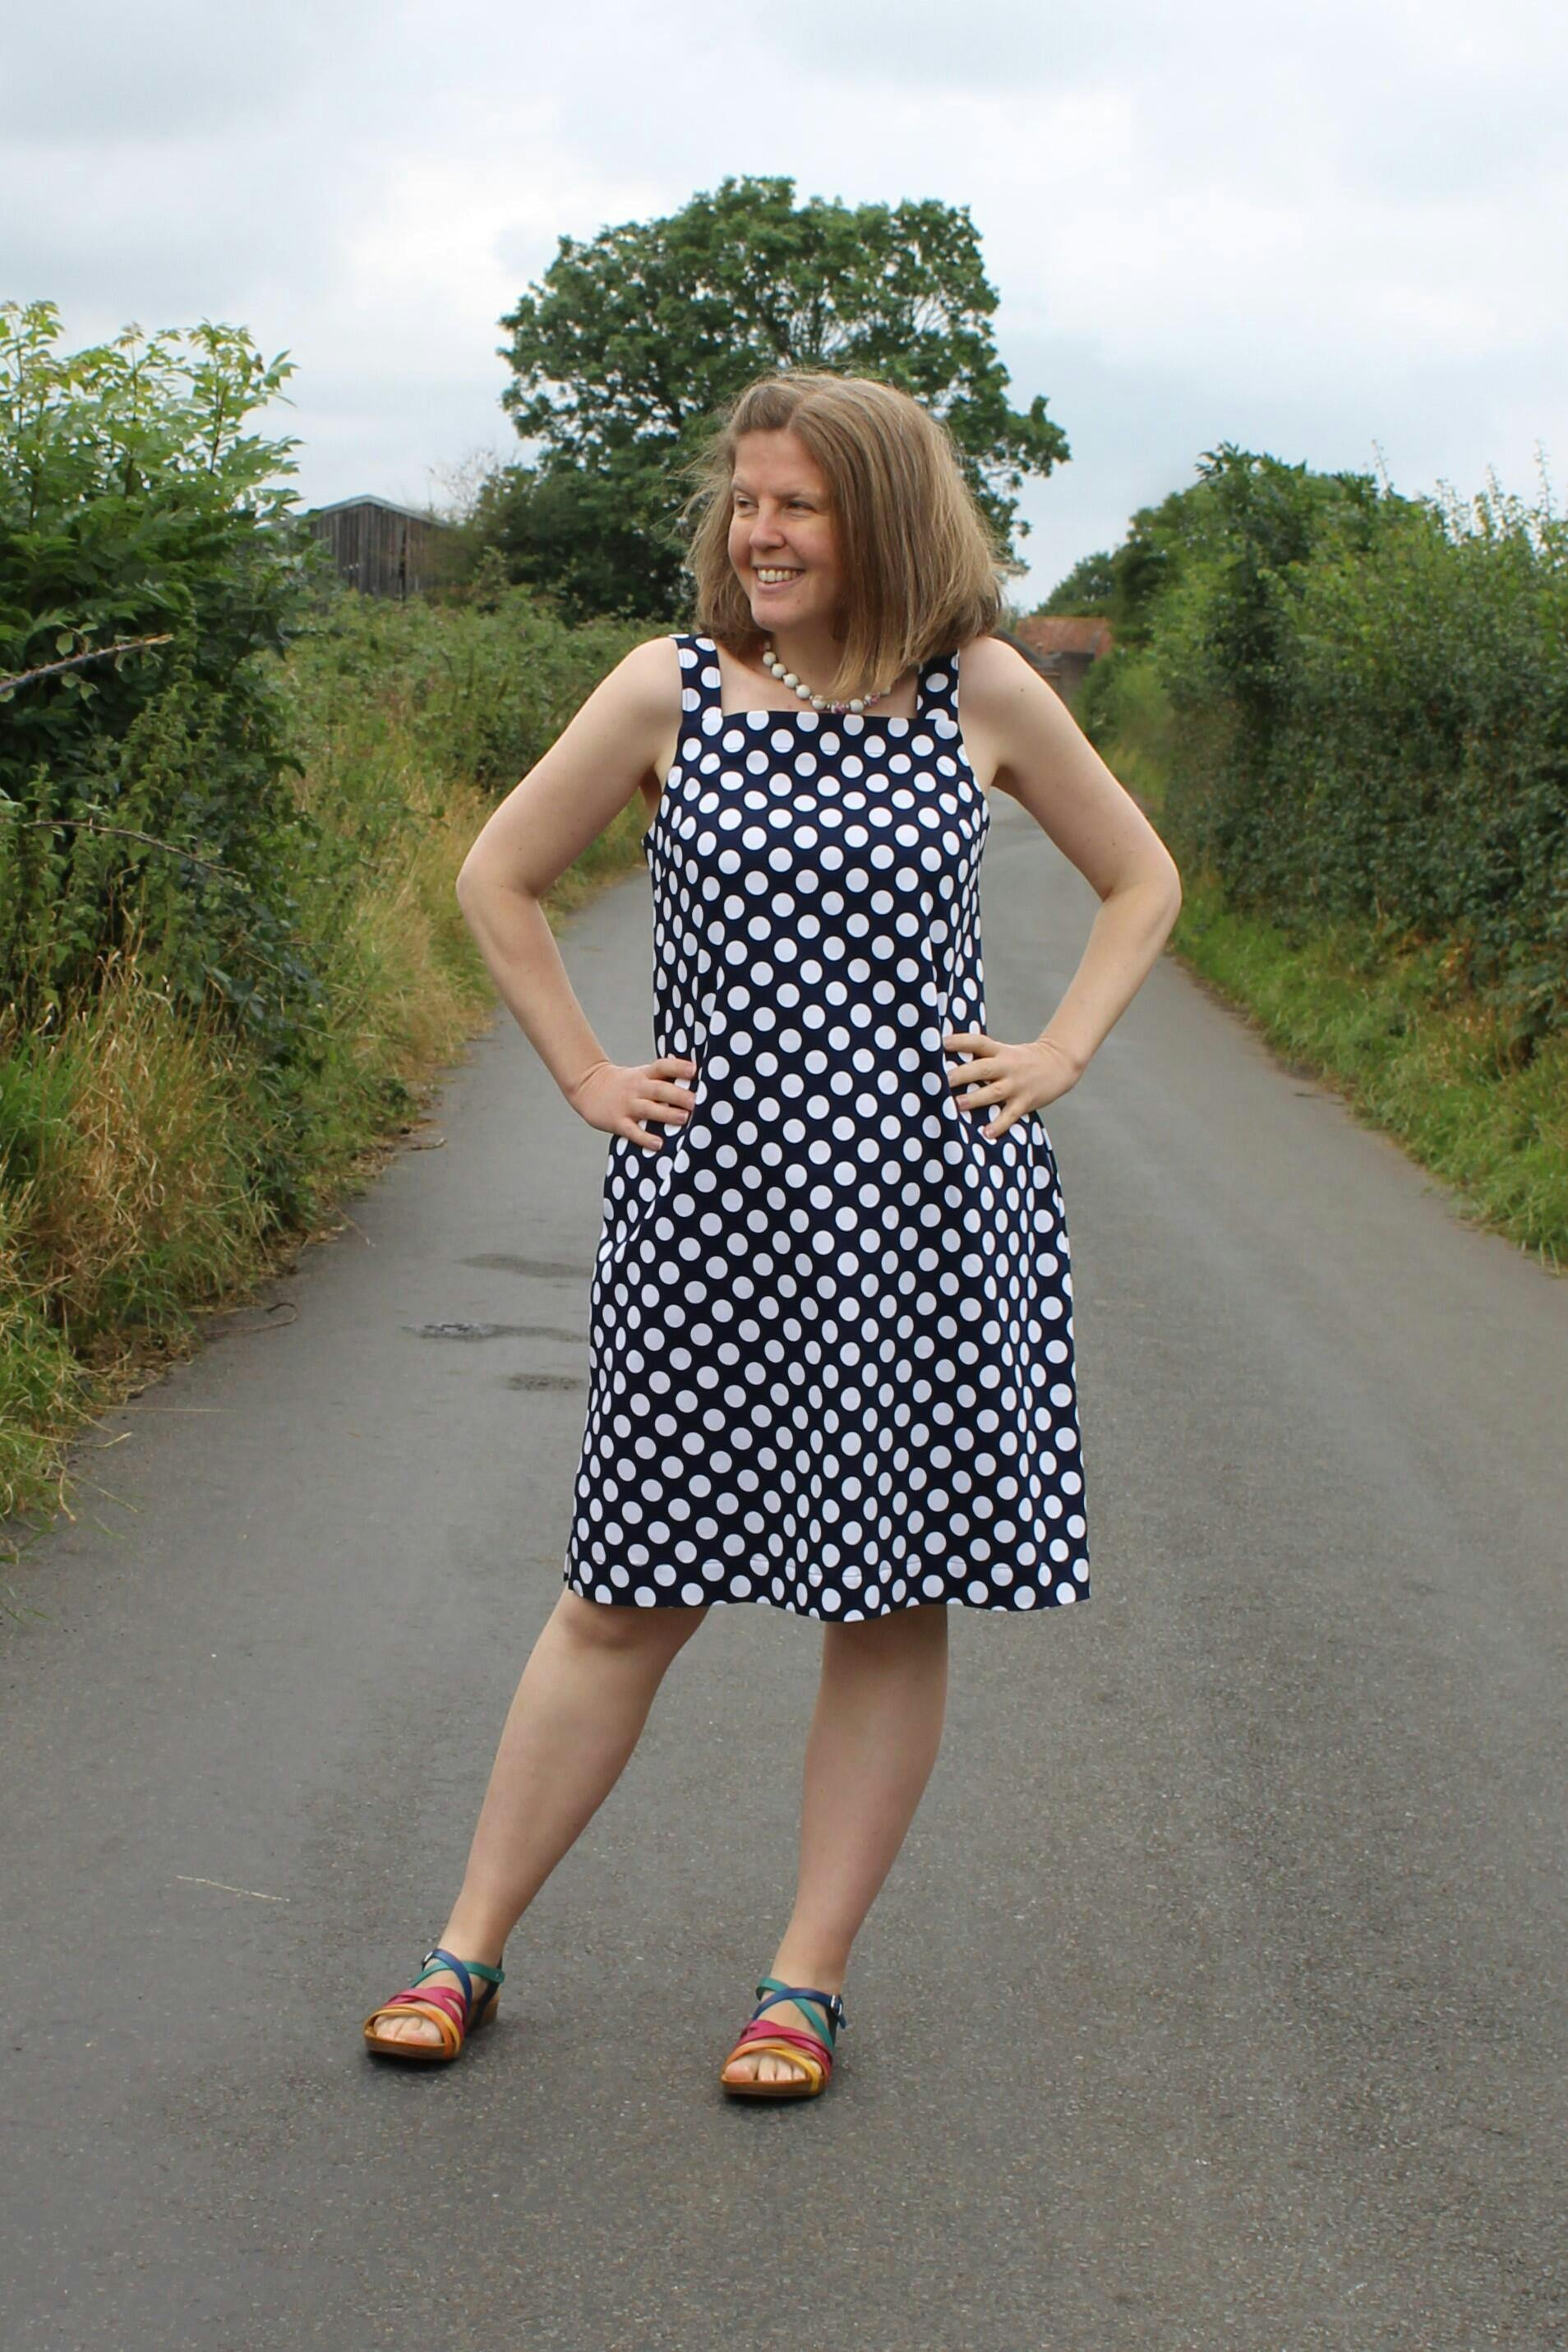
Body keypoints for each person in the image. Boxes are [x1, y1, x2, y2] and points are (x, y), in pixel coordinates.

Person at [359, 369, 1182, 2098]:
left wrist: (1059, 1052)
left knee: (883, 1600)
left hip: (924, 1218)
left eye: (798, 503)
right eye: (746, 501)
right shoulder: (666, 686)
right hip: (709, 1213)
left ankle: (802, 1985)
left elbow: (1142, 878)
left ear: (882, 517)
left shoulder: (983, 690)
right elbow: (498, 876)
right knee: (621, 1589)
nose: (760, 533)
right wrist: (585, 1073)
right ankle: (464, 1949)